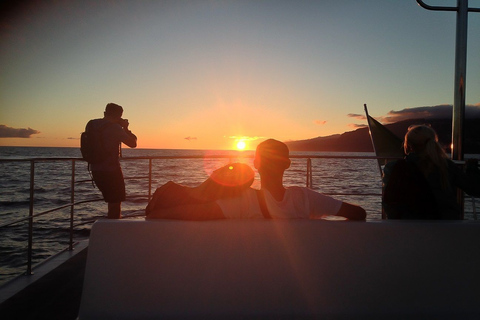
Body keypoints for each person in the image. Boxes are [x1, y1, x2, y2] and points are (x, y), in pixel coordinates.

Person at [146, 139, 366, 221]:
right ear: (287, 164)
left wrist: (155, 215)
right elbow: (359, 213)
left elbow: (194, 213)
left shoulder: (244, 201)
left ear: (256, 164)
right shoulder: (306, 198)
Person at [383, 124, 480, 220]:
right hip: (445, 225)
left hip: (406, 226)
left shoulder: (392, 168)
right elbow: (474, 189)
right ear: (434, 142)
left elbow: (388, 202)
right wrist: (472, 169)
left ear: (408, 145)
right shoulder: (446, 166)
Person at [87, 103, 137, 219]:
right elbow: (133, 143)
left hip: (95, 169)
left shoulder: (91, 124)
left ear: (105, 112)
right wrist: (125, 128)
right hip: (111, 171)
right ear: (119, 116)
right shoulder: (115, 128)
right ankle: (114, 231)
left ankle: (110, 228)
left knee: (110, 200)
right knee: (115, 203)